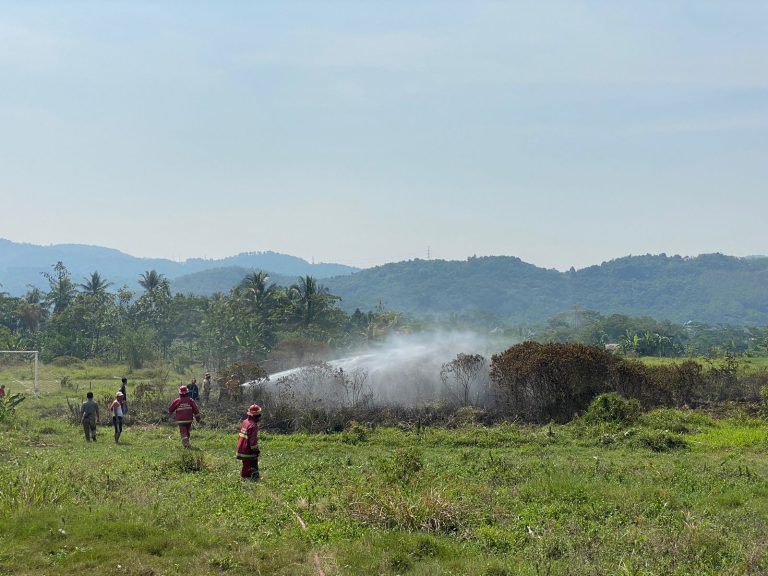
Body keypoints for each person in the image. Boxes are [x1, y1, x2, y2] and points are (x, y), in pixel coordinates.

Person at [236, 404, 261, 480]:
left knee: (246, 464)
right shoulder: (253, 426)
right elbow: (253, 441)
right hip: (247, 450)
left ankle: (247, 478)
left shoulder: (245, 421)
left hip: (241, 447)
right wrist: (256, 450)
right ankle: (248, 479)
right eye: (258, 415)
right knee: (250, 465)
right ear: (255, 416)